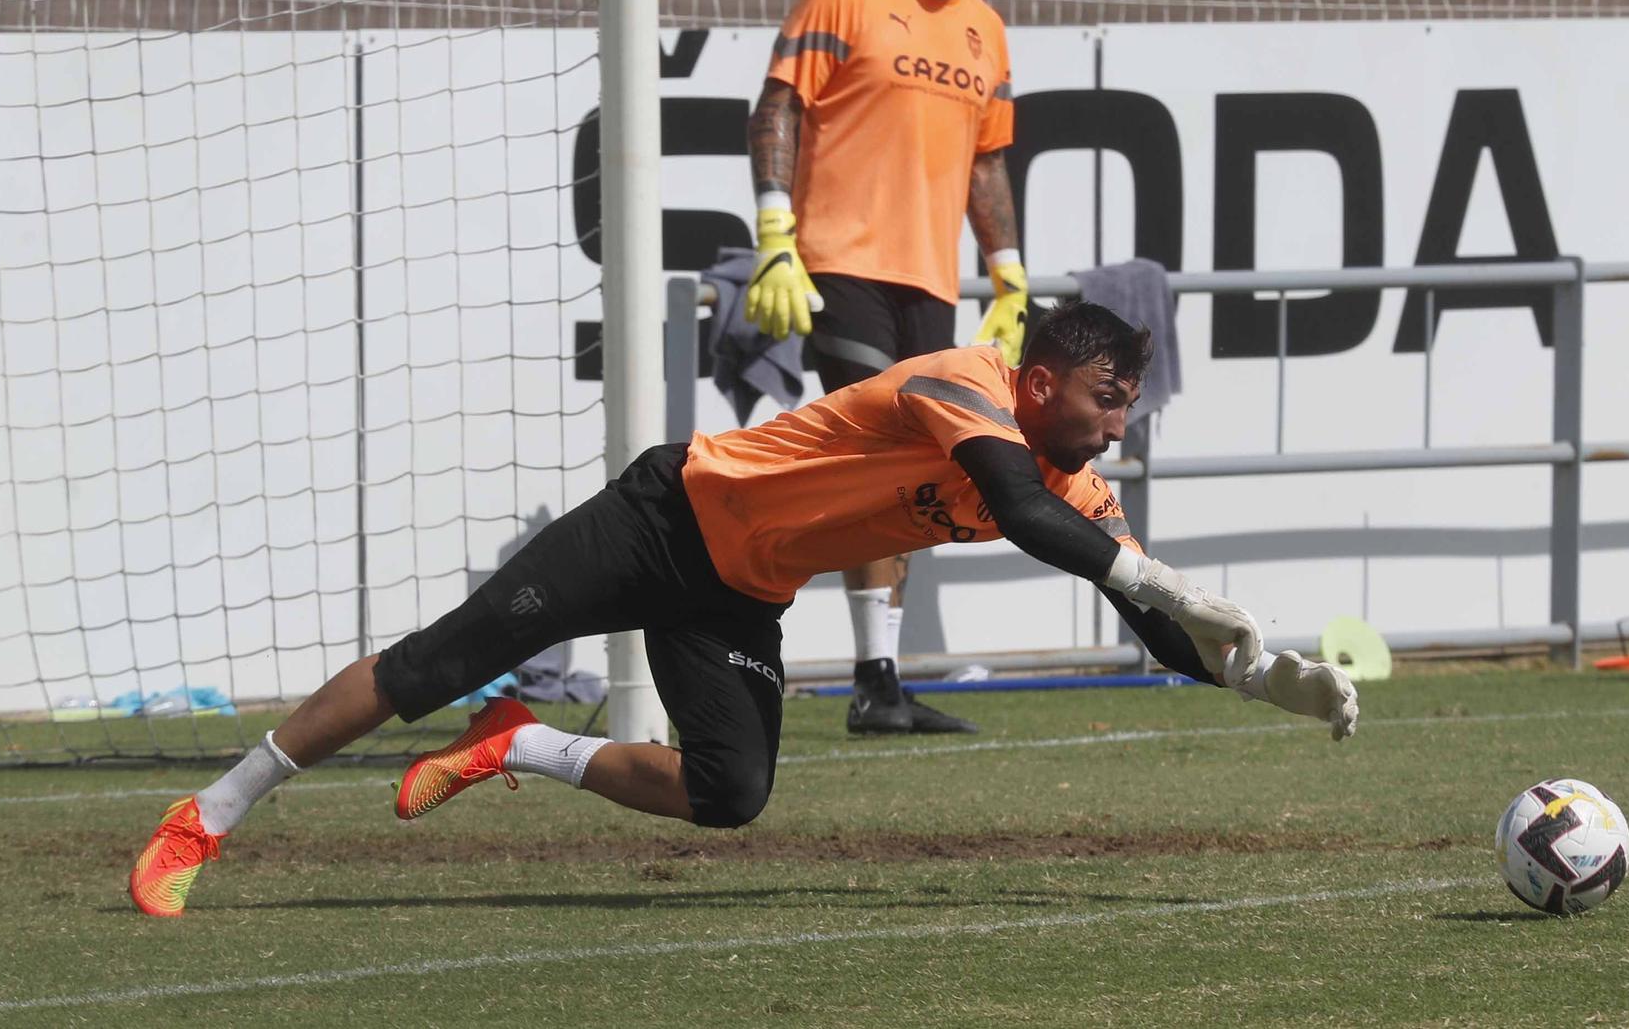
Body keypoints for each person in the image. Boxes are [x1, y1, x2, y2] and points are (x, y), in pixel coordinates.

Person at [129, 301, 1358, 917]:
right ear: (1039, 381)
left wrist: (1252, 674)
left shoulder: (1072, 475)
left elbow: (1141, 613)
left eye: (1130, 399)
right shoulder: (962, 388)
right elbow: (1029, 520)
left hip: (737, 591)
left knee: (732, 795)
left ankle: (517, 745)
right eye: (1106, 394)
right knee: (434, 662)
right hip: (664, 516)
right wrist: (1155, 581)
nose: (1119, 418)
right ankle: (210, 813)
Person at [744, 0, 1027, 736]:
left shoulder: (987, 28)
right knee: (876, 459)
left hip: (927, 281)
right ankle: (854, 668)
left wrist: (1009, 272)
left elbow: (988, 159)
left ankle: (879, 680)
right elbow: (777, 107)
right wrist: (775, 233)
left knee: (918, 470)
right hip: (838, 266)